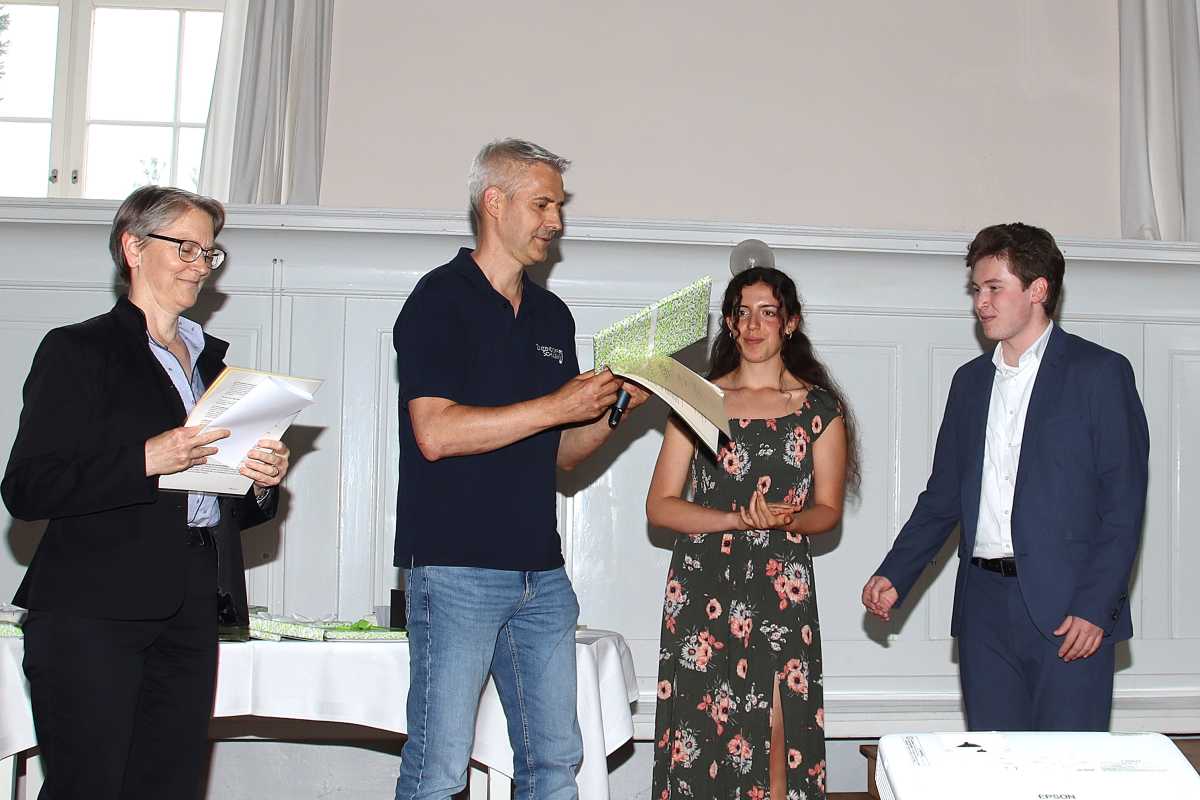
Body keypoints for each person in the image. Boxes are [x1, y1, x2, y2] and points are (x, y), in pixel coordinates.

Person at [2, 185, 290, 799]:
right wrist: (144, 460)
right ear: (133, 247)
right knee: (89, 787)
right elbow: (27, 487)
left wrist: (260, 479)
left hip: (192, 600)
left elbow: (214, 501)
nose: (200, 264)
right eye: (185, 247)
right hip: (91, 608)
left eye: (209, 252)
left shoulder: (212, 366)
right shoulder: (79, 350)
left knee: (170, 787)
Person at [391, 139, 648, 800]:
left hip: (542, 573)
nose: (555, 221)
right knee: (439, 767)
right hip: (454, 570)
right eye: (542, 205)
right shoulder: (438, 299)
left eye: (559, 206)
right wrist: (556, 405)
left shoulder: (551, 315)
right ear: (494, 202)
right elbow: (435, 433)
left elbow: (559, 454)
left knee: (555, 762)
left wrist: (615, 410)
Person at [861, 222, 1149, 731]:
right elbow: (943, 497)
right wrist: (895, 574)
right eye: (976, 289)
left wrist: (1094, 606)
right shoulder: (969, 384)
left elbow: (1123, 507)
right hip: (983, 612)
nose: (981, 302)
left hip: (1069, 611)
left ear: (1038, 290)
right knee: (992, 765)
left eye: (994, 287)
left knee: (1067, 767)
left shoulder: (1100, 373)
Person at [646, 265, 857, 800]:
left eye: (768, 312)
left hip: (780, 586)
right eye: (743, 313)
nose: (754, 325)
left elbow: (827, 510)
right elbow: (660, 506)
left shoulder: (819, 408)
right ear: (729, 322)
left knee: (775, 729)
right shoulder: (698, 399)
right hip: (703, 586)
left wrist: (787, 520)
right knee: (702, 730)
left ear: (791, 323)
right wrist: (736, 519)